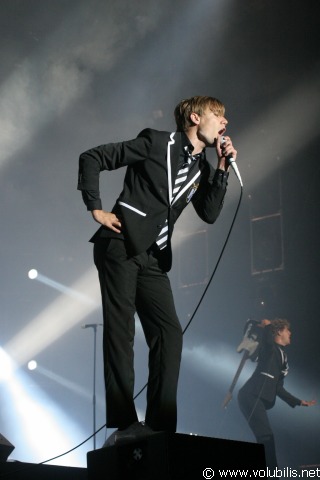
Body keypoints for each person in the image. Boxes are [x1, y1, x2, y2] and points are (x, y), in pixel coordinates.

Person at [77, 95, 237, 446]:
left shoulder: (202, 167)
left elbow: (209, 212)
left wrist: (222, 168)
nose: (225, 123)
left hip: (153, 256)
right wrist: (96, 208)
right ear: (195, 117)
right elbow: (94, 157)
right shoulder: (156, 142)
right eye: (218, 116)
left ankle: (160, 427)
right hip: (119, 243)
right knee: (121, 332)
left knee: (169, 334)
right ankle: (124, 423)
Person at [237, 318, 316, 469]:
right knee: (266, 437)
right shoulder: (269, 347)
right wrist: (268, 326)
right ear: (279, 332)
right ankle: (271, 473)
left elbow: (278, 388)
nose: (290, 333)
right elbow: (267, 340)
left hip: (258, 398)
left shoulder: (284, 358)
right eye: (287, 330)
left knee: (265, 438)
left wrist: (299, 401)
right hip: (250, 395)